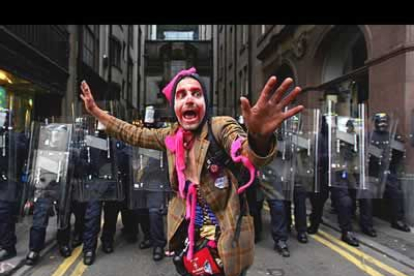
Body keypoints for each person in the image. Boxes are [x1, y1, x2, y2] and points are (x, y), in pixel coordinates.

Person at [80, 67, 303, 276]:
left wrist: (258, 137)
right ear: (174, 105)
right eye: (181, 94)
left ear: (205, 102)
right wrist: (97, 112)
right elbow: (131, 133)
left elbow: (244, 151)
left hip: (225, 235)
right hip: (188, 236)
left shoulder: (221, 127)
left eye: (196, 93)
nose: (189, 99)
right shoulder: (170, 135)